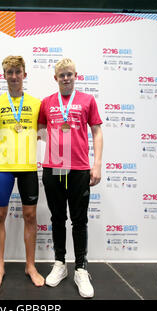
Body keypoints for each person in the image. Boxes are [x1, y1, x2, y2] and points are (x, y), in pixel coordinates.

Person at [38, 58, 103, 298]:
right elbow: (39, 131)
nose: (65, 78)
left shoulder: (88, 100)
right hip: (54, 168)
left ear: (76, 75)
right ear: (55, 78)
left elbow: (97, 131)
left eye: (69, 74)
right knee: (57, 217)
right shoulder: (47, 102)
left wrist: (96, 164)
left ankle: (81, 269)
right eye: (61, 75)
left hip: (79, 168)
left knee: (79, 220)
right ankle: (59, 264)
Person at [0, 55, 44, 288]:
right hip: (2, 168)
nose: (14, 76)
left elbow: (48, 134)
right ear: (4, 75)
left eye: (18, 71)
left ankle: (30, 266)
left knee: (30, 216)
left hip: (28, 167)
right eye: (9, 72)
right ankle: (0, 267)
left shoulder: (37, 104)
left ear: (24, 74)